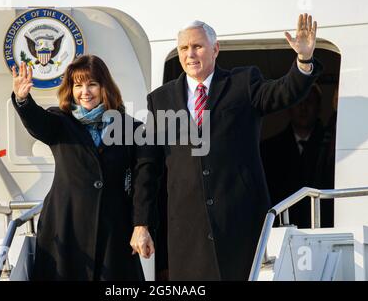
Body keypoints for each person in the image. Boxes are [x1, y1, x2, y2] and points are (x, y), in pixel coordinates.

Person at [132, 14, 323, 280]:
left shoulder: (243, 83)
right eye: (184, 48)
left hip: (241, 222)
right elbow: (148, 167)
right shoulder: (160, 100)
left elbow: (283, 92)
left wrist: (303, 61)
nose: (190, 54)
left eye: (197, 46)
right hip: (188, 230)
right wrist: (141, 223)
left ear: (215, 49)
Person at [11, 55, 153, 280]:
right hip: (66, 229)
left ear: (104, 87)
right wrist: (22, 99)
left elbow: (142, 182)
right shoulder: (59, 122)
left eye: (92, 84)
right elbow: (37, 123)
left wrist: (141, 225)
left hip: (113, 233)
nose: (85, 91)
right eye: (78, 85)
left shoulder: (132, 128)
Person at [261, 84, 334, 228]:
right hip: (282, 229)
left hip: (324, 228)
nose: (303, 108)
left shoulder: (332, 146)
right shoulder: (269, 149)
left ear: (319, 107)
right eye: (298, 102)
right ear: (288, 107)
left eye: (309, 102)